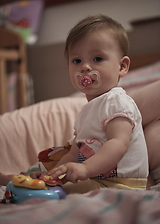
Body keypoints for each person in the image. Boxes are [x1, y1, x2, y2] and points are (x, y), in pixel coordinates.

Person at [31, 14, 149, 194]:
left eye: (97, 59)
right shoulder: (86, 111)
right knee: (56, 185)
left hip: (123, 183)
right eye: (77, 61)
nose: (85, 67)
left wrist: (85, 169)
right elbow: (74, 154)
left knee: (63, 190)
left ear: (122, 66)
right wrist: (55, 174)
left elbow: (118, 143)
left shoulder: (116, 101)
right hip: (100, 180)